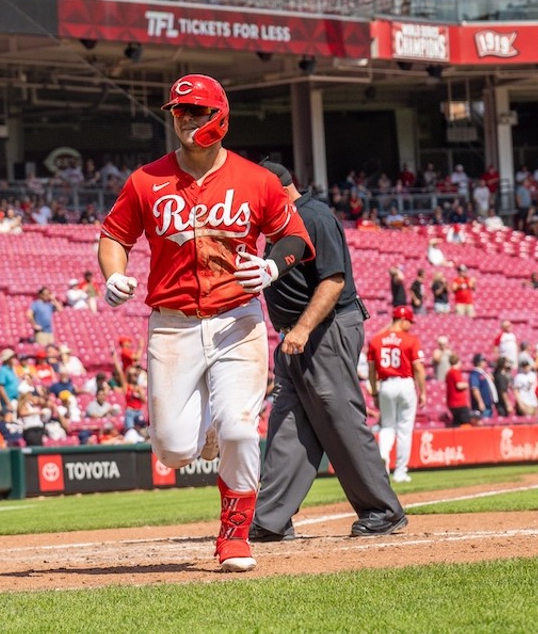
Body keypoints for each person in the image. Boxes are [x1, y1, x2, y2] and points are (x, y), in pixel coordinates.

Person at [99, 74, 313, 573]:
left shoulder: (256, 179)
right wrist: (113, 275)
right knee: (173, 450)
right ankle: (209, 434)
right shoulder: (145, 180)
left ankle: (234, 535)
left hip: (237, 319)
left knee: (241, 429)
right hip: (171, 325)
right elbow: (114, 236)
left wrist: (272, 266)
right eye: (178, 111)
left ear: (219, 115)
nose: (186, 119)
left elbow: (293, 237)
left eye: (195, 111)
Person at [251, 161, 405, 541]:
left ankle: (382, 510)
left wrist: (302, 328)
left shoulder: (314, 216)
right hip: (295, 335)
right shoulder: (279, 223)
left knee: (340, 417)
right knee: (287, 423)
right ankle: (271, 520)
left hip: (325, 328)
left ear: (279, 189)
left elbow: (333, 281)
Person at [367, 306, 426, 484]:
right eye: (409, 321)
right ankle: (400, 471)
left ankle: (384, 455)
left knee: (387, 426)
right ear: (402, 320)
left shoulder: (376, 340)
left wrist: (375, 392)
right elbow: (418, 368)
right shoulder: (410, 340)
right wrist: (422, 391)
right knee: (404, 429)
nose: (410, 325)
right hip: (405, 383)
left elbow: (371, 371)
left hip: (385, 384)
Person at [444, 353, 470, 426]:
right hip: (459, 402)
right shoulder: (455, 371)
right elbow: (459, 385)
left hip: (451, 402)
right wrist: (467, 384)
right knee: (465, 423)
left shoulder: (448, 372)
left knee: (456, 423)